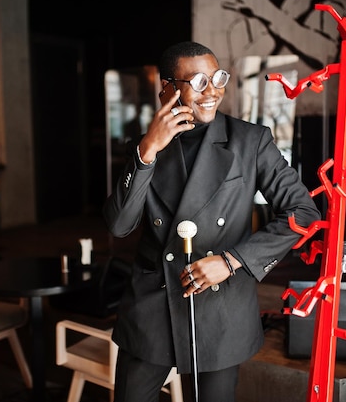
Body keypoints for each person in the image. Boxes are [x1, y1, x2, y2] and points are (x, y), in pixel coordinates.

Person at [103, 41, 321, 402]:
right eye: (199, 81)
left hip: (219, 310)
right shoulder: (144, 146)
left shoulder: (250, 141)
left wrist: (231, 261)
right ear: (169, 89)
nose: (214, 90)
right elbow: (119, 225)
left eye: (218, 77)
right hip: (152, 309)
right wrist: (147, 152)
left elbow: (303, 212)